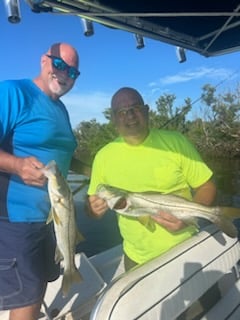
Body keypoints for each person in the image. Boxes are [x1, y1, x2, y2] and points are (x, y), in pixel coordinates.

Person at [87, 87, 217, 271]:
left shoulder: (176, 142)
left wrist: (187, 218)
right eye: (122, 112)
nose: (130, 115)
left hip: (187, 249)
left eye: (136, 108)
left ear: (147, 111)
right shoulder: (103, 156)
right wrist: (93, 209)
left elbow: (207, 186)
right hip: (136, 258)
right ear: (114, 119)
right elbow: (92, 207)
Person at [0, 42, 80, 320]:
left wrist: (99, 170)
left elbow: (64, 154)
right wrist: (17, 164)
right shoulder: (12, 92)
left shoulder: (62, 110)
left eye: (73, 71)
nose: (65, 74)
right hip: (16, 220)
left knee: (40, 286)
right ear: (44, 60)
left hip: (52, 218)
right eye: (60, 65)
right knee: (27, 295)